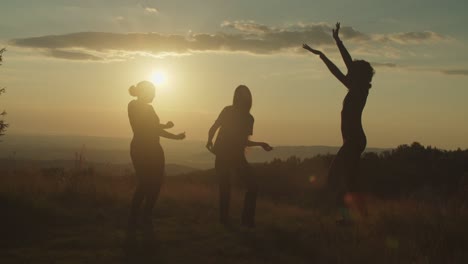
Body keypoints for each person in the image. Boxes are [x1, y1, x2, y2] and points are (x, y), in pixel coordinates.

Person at [303, 23, 375, 224]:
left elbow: (347, 63)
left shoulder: (360, 91)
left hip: (354, 141)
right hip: (353, 141)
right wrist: (321, 55)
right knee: (351, 182)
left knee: (334, 177)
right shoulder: (354, 89)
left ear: (358, 75)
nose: (349, 72)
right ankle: (363, 218)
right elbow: (336, 71)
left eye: (353, 71)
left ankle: (346, 218)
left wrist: (337, 41)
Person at [206, 85, 273, 228]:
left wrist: (209, 141)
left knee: (225, 187)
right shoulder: (248, 118)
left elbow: (214, 127)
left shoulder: (227, 111)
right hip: (236, 157)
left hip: (223, 154)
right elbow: (243, 141)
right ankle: (246, 221)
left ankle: (225, 221)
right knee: (252, 186)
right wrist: (261, 144)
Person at [126, 81, 185, 241]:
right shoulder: (135, 105)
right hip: (144, 149)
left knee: (154, 183)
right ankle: (137, 218)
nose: (154, 95)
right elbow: (150, 128)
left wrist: (165, 125)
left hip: (151, 148)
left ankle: (143, 217)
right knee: (146, 183)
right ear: (144, 92)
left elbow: (152, 125)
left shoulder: (143, 107)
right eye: (152, 92)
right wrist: (176, 136)